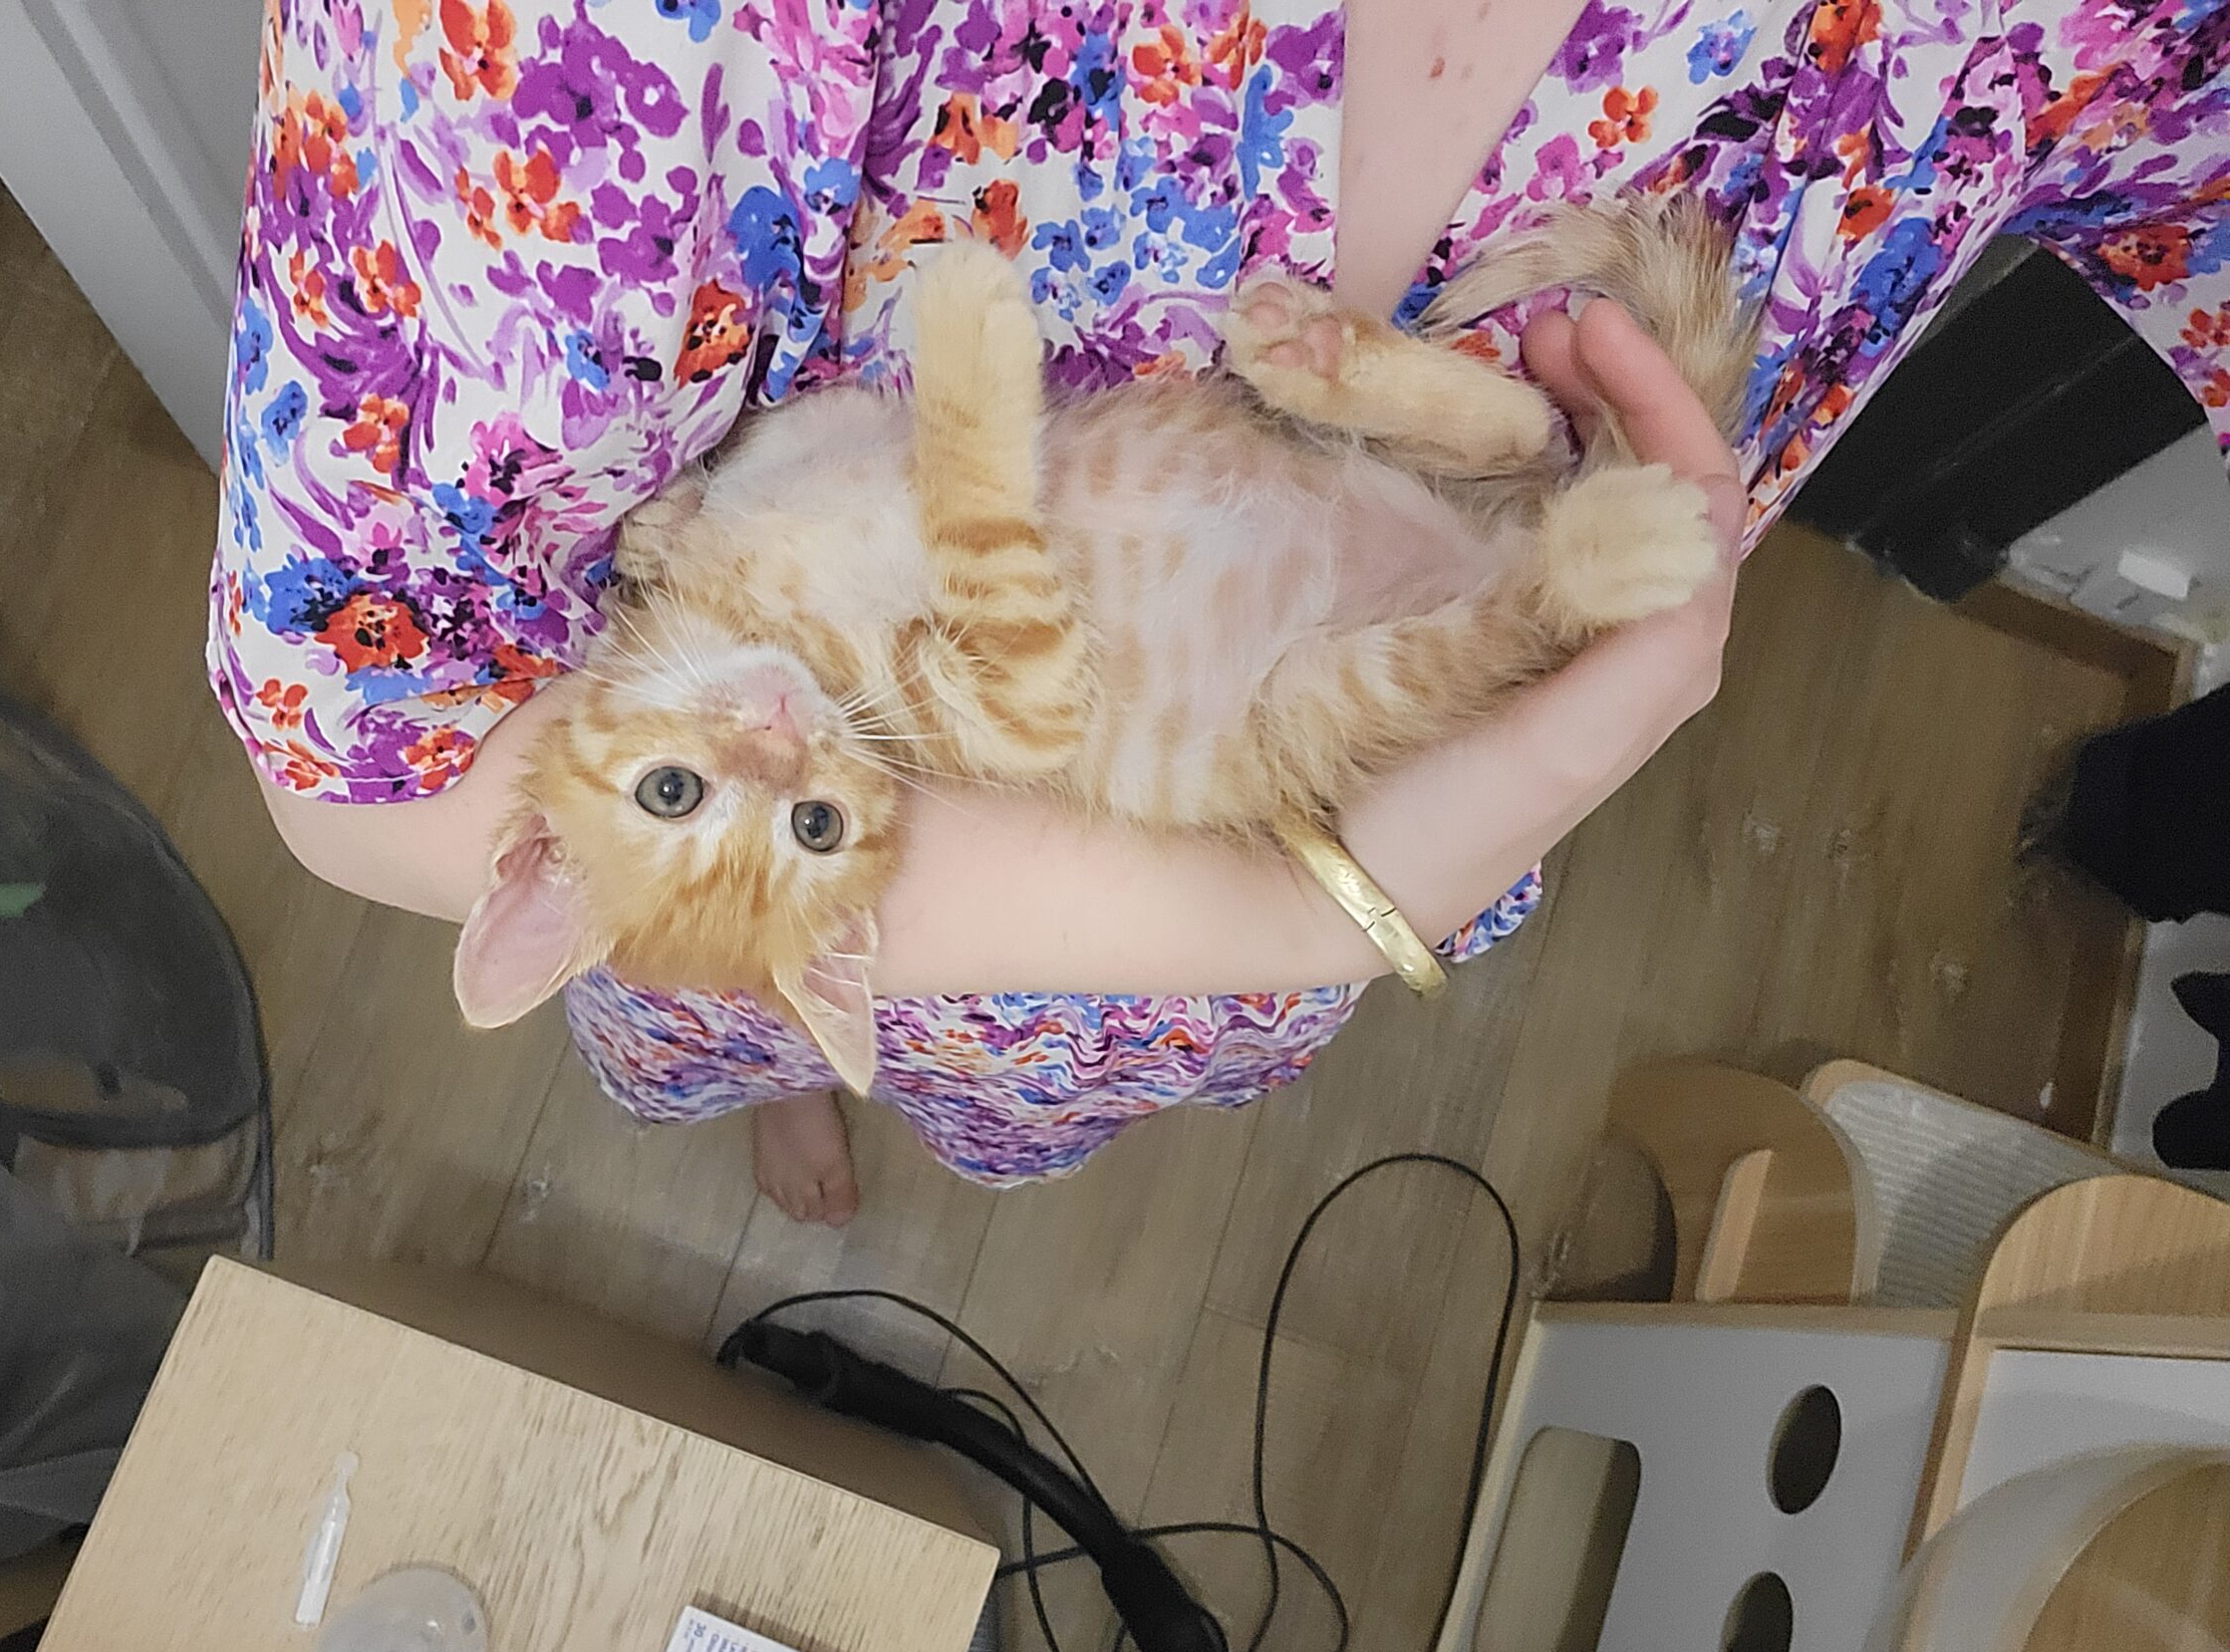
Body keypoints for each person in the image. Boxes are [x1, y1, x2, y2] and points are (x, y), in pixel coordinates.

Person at [216, 0, 2230, 1222]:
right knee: (741, 1014)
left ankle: (826, 1054)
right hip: (1262, 874)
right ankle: (789, 1064)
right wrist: (1309, 908)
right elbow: (354, 760)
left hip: (1209, 918)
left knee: (993, 1080)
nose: (763, 745)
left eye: (704, 778)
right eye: (769, 790)